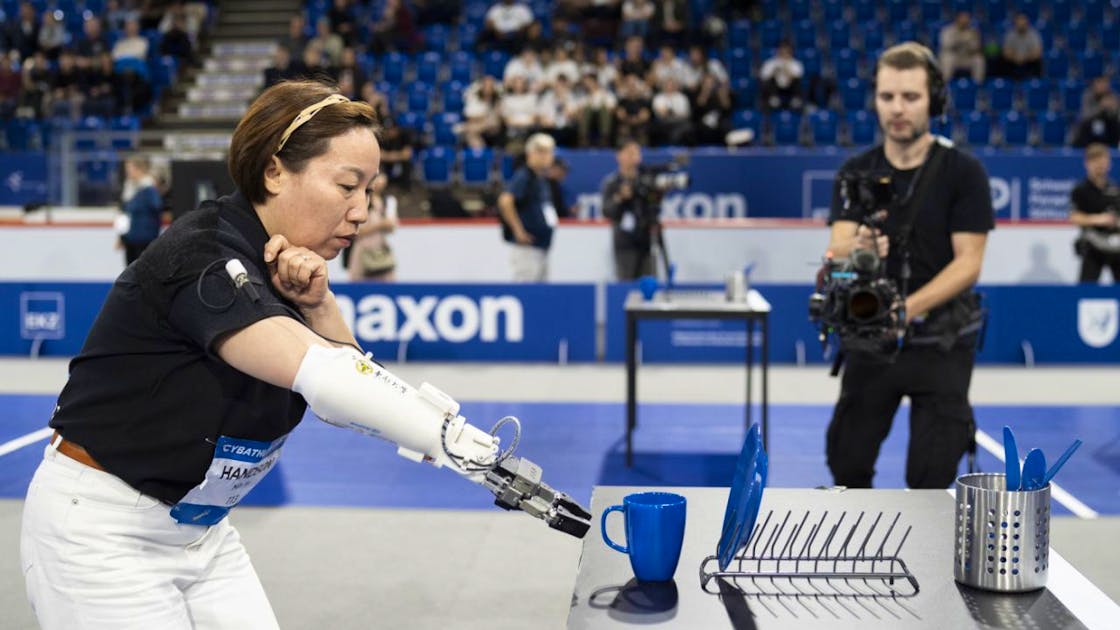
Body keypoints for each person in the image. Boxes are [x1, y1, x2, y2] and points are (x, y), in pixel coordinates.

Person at [20, 80, 581, 629]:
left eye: (370, 190)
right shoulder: (203, 255)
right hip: (102, 534)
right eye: (347, 186)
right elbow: (328, 377)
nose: (361, 212)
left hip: (203, 533)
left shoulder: (291, 269)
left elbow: (356, 394)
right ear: (274, 171)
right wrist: (474, 453)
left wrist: (320, 304)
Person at [824, 43, 994, 489]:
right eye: (887, 97)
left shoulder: (964, 172)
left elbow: (969, 263)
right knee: (847, 461)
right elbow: (837, 246)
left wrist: (907, 309)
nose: (897, 109)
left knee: (931, 475)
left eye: (911, 97)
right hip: (870, 340)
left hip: (940, 341)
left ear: (934, 101)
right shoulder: (855, 171)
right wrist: (857, 244)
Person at [498, 132, 558, 281]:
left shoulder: (540, 178)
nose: (546, 156)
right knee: (527, 291)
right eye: (541, 152)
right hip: (527, 247)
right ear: (530, 153)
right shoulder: (524, 176)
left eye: (549, 152)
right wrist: (518, 231)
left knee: (540, 294)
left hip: (541, 246)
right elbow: (505, 200)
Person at [601, 140, 660, 280]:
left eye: (636, 153)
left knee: (650, 284)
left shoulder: (647, 180)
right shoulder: (612, 182)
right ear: (619, 156)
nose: (634, 156)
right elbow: (607, 211)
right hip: (625, 244)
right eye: (629, 152)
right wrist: (620, 197)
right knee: (626, 286)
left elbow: (655, 206)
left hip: (647, 242)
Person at [1069, 143, 1120, 283]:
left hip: (1116, 244)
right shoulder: (1080, 190)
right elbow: (1074, 217)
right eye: (1095, 161)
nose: (1100, 166)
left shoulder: (1115, 189)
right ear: (1087, 163)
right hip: (1093, 243)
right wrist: (1099, 219)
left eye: (1103, 161)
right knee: (1086, 287)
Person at [348, 172, 399, 281]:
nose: (379, 181)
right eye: (375, 178)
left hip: (381, 249)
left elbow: (392, 227)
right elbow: (355, 232)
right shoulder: (359, 200)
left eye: (381, 177)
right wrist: (379, 225)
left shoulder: (388, 201)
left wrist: (386, 225)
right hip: (362, 248)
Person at [114, 155, 164, 265]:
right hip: (130, 239)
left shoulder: (149, 189)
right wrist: (121, 237)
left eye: (130, 169)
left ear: (139, 169)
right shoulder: (128, 188)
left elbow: (157, 209)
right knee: (129, 270)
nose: (128, 172)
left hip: (145, 239)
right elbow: (123, 213)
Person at [938, 11, 985, 83]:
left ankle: (977, 85)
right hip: (954, 57)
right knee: (947, 58)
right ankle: (944, 84)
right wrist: (959, 40)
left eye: (966, 20)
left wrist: (969, 42)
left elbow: (976, 47)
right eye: (962, 19)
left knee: (979, 60)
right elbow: (946, 45)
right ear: (957, 20)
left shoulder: (973, 32)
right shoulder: (948, 30)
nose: (964, 22)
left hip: (967, 57)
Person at [759, 41, 804, 112]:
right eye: (782, 50)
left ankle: (795, 100)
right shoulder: (770, 62)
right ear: (778, 51)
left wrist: (787, 68)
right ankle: (773, 99)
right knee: (768, 81)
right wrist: (775, 71)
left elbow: (798, 76)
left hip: (789, 88)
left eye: (787, 51)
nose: (784, 52)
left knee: (797, 81)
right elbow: (764, 76)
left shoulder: (795, 63)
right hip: (775, 88)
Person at [1001, 13, 1042, 80]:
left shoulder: (1033, 34)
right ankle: (1006, 82)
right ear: (1015, 23)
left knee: (1038, 61)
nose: (1021, 25)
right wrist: (1016, 58)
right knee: (1003, 61)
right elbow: (1006, 53)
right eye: (1019, 23)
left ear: (1027, 23)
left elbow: (1037, 52)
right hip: (1014, 62)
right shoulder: (1010, 35)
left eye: (1023, 23)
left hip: (1028, 62)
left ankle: (1035, 82)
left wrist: (1024, 58)